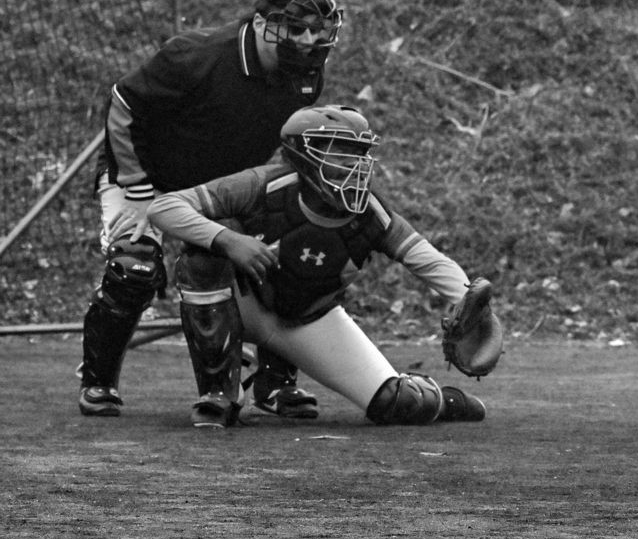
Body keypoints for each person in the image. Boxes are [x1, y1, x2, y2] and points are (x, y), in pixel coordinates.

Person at [77, 0, 341, 419]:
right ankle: (98, 382)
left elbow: (285, 147)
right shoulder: (196, 55)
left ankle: (275, 384)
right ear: (261, 25)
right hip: (145, 177)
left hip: (218, 188)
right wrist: (141, 195)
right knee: (134, 265)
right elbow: (123, 103)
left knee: (297, 246)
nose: (307, 40)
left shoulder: (307, 74)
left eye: (317, 31)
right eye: (295, 29)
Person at [145, 104, 488, 428]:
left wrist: (470, 301)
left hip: (305, 318)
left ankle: (441, 399)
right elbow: (164, 208)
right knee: (201, 260)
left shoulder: (369, 210)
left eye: (359, 153)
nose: (354, 164)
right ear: (302, 154)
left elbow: (427, 260)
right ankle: (219, 394)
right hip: (242, 302)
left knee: (400, 403)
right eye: (340, 153)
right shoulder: (262, 185)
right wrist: (228, 239)